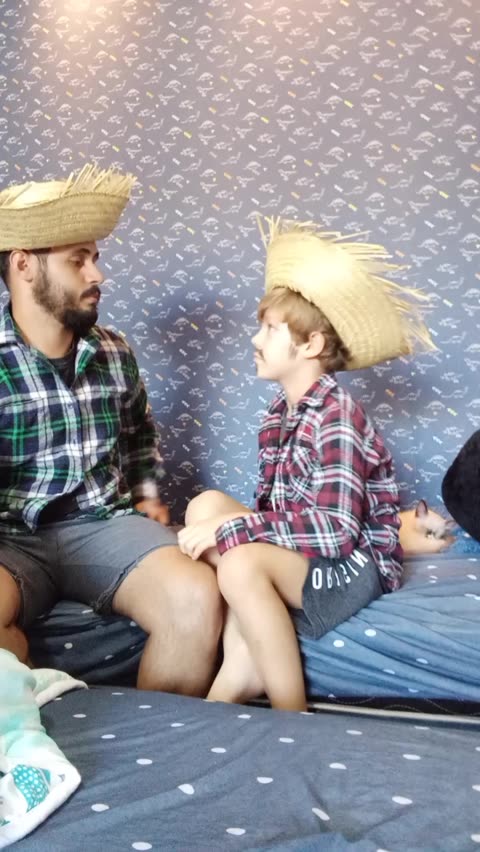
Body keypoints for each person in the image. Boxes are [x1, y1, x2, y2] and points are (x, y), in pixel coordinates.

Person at [179, 217, 435, 711]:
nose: (255, 340)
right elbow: (276, 512)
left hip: (354, 562)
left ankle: (291, 710)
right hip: (311, 551)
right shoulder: (279, 412)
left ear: (311, 345)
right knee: (204, 507)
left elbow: (337, 531)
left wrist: (236, 531)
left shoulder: (337, 415)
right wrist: (230, 526)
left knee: (240, 558)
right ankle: (245, 659)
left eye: (271, 330)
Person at [0, 162, 221, 695]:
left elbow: (139, 435)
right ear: (24, 265)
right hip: (10, 537)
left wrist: (147, 497)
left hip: (102, 524)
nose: (97, 275)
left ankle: (155, 736)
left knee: (196, 596)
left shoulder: (114, 351)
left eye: (95, 259)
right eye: (78, 260)